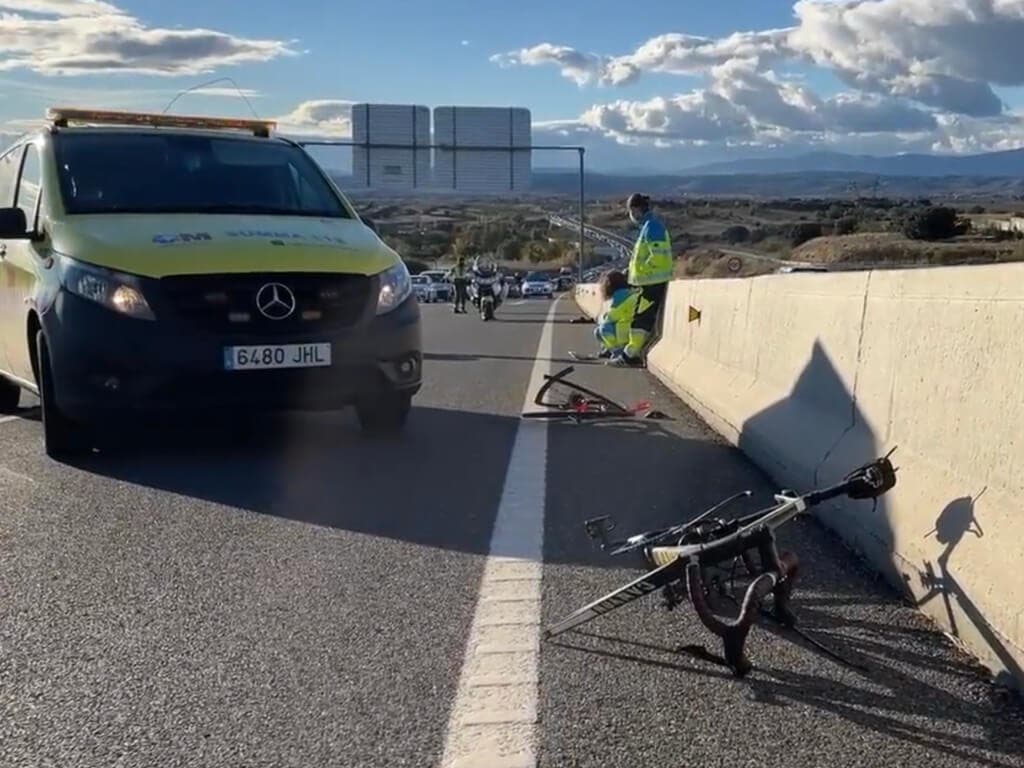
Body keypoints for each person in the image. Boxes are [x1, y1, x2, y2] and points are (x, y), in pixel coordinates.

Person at [611, 193, 674, 367]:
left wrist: (643, 273)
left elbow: (658, 257)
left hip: (652, 282)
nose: (631, 215)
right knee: (640, 319)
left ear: (636, 210)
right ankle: (630, 353)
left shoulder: (652, 227)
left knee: (641, 321)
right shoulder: (649, 226)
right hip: (648, 282)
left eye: (631, 211)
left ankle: (630, 355)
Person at [593, 269, 639, 359]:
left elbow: (612, 316)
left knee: (604, 329)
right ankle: (609, 349)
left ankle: (618, 350)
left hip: (625, 328)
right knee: (598, 331)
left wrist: (603, 318)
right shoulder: (626, 292)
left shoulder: (619, 296)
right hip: (626, 325)